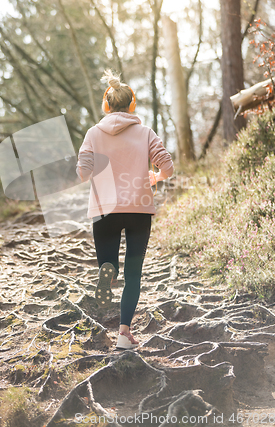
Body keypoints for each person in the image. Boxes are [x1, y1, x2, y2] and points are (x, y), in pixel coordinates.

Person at [76, 69, 173, 350]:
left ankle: (106, 282)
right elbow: (167, 166)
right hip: (139, 210)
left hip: (104, 209)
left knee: (108, 266)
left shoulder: (93, 133)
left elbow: (83, 173)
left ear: (106, 105)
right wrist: (154, 177)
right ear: (132, 105)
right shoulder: (144, 133)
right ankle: (123, 333)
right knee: (134, 273)